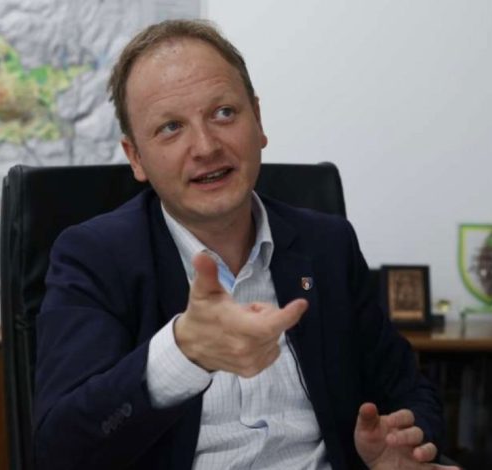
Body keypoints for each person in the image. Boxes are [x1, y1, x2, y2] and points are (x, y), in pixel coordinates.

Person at [33, 19, 456, 470]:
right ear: (136, 157)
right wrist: (182, 352)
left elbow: (409, 391)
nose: (205, 146)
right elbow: (61, 449)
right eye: (171, 127)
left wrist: (403, 444)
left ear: (258, 119)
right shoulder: (94, 257)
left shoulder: (327, 244)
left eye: (223, 113)